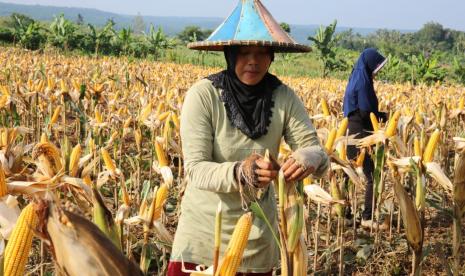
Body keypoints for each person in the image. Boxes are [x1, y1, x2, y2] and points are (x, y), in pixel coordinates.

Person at [168, 0, 329, 275]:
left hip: (256, 240)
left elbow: (317, 153)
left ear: (272, 56)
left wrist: (308, 157)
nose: (253, 61)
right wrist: (241, 171)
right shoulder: (203, 96)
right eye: (243, 53)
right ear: (229, 55)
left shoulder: (284, 97)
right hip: (204, 239)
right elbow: (196, 170)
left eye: (261, 53)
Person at [342, 48, 388, 228]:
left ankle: (345, 215)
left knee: (348, 173)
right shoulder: (363, 84)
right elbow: (365, 112)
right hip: (360, 132)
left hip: (350, 131)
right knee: (371, 176)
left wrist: (378, 115)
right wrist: (382, 117)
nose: (377, 73)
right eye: (376, 68)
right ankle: (367, 217)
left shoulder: (355, 79)